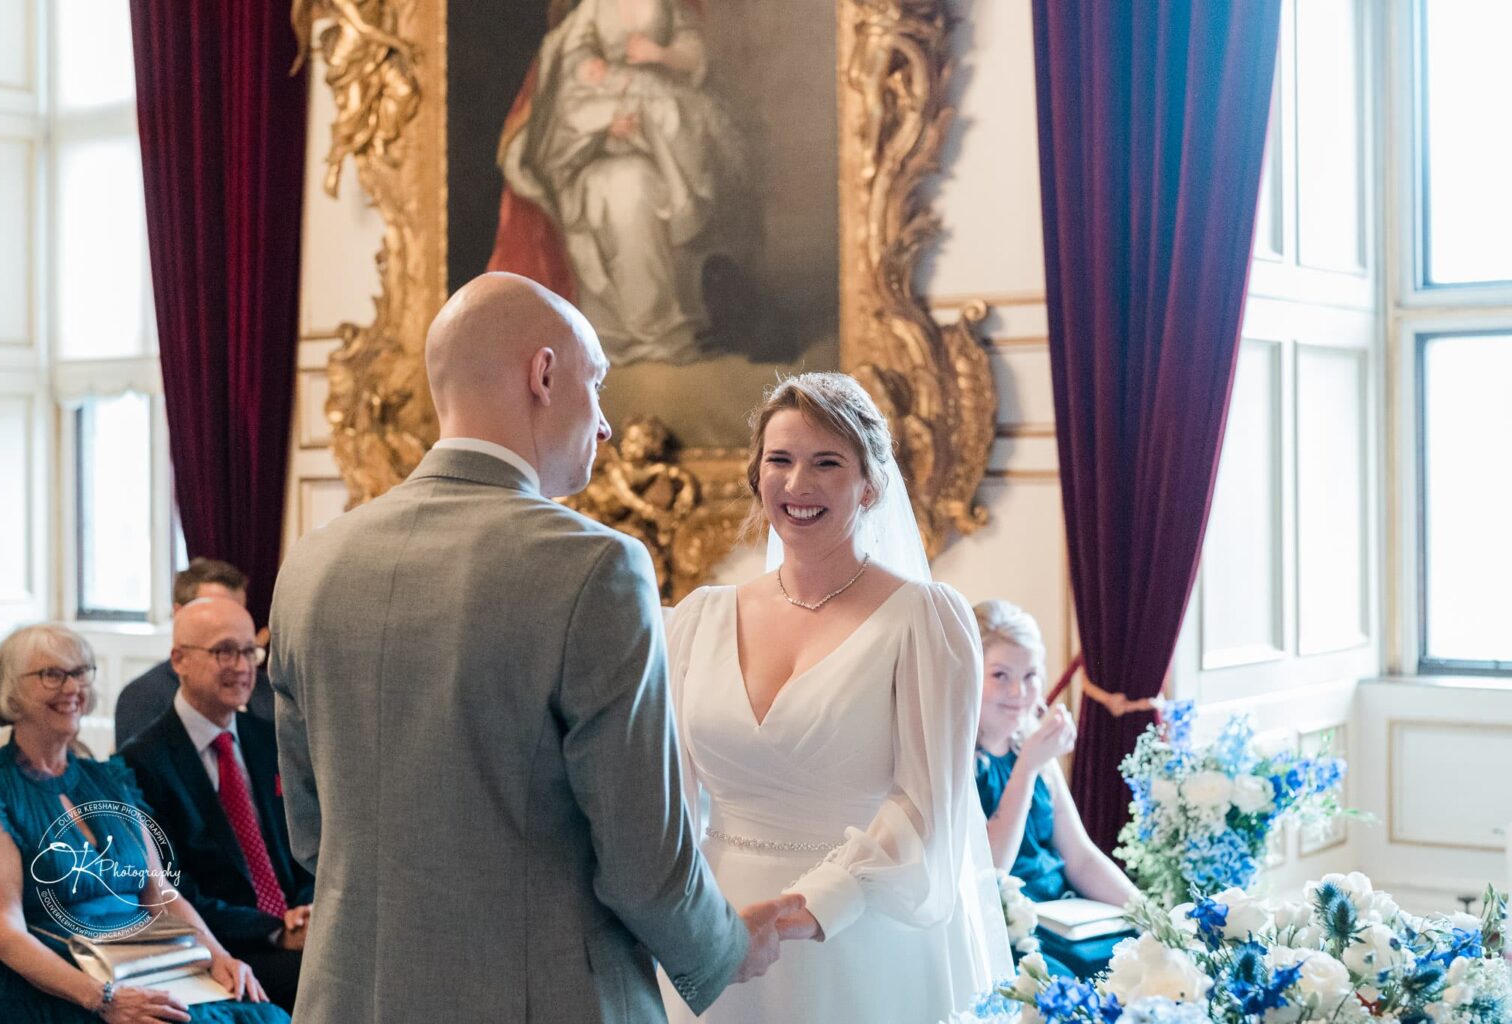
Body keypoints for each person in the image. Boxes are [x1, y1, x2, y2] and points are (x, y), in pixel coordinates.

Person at [267, 272, 801, 1024]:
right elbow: (643, 862)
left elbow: (313, 835)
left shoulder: (311, 564)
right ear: (543, 374)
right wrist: (723, 948)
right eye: (598, 385)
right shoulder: (594, 567)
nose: (607, 424)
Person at [659, 373, 1012, 1024]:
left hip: (858, 935)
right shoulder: (696, 621)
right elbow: (667, 799)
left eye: (827, 463)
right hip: (716, 934)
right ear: (755, 474)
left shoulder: (923, 622)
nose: (798, 485)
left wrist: (809, 909)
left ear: (870, 483)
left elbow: (926, 805)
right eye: (780, 461)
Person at [0, 623, 286, 1024]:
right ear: (10, 691)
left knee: (264, 1017)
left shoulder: (112, 779)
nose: (72, 688)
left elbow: (161, 895)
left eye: (80, 672)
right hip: (56, 985)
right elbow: (1, 933)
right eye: (53, 675)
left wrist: (219, 956)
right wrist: (103, 999)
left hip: (145, 966)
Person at [491, 0, 747, 365]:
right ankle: (616, 334)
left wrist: (658, 53)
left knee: (646, 169)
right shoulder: (593, 9)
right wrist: (598, 98)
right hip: (598, 134)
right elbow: (568, 58)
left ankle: (663, 327)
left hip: (657, 105)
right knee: (616, 190)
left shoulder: (667, 7)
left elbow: (694, 55)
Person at [120, 599, 314, 1012]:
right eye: (225, 651)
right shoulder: (142, 761)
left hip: (296, 929)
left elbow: (306, 839)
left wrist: (307, 909)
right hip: (220, 945)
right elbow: (171, 888)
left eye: (250, 651)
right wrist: (275, 931)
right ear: (180, 660)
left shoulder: (268, 738)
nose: (243, 667)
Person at [972, 599, 1140, 979]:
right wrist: (1027, 767)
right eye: (1000, 675)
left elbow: (1079, 856)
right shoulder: (959, 761)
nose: (1020, 691)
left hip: (1066, 914)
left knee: (1147, 959)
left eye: (1031, 675)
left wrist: (1147, 913)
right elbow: (991, 868)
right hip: (1012, 929)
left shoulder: (1033, 747)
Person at [114, 559, 275, 750]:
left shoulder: (268, 694)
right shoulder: (143, 698)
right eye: (218, 612)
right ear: (179, 614)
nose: (240, 666)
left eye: (238, 612)